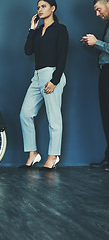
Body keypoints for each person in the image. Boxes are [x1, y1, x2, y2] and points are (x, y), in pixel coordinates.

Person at [19, 0, 68, 170]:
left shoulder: (60, 29)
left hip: (52, 75)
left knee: (54, 118)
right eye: (38, 7)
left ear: (53, 8)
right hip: (37, 76)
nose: (40, 9)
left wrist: (55, 80)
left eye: (43, 6)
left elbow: (63, 56)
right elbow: (28, 50)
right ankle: (33, 154)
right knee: (25, 114)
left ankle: (53, 156)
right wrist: (32, 30)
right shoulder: (38, 30)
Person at [81, 0, 109, 172]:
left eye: (98, 9)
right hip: (104, 72)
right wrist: (93, 44)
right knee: (106, 116)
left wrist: (97, 42)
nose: (97, 14)